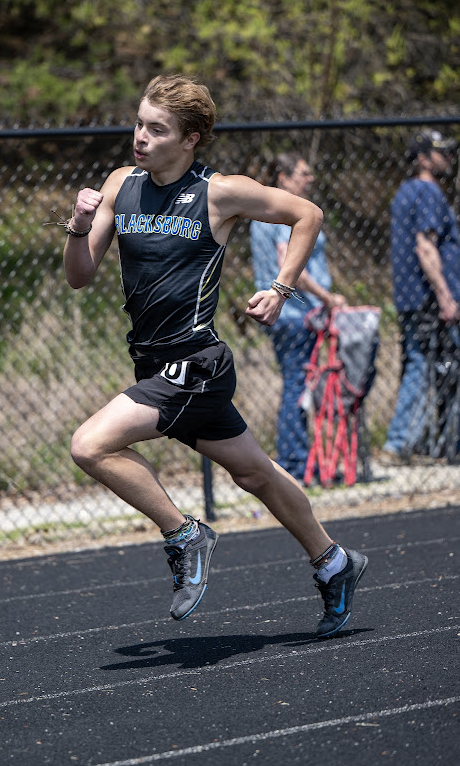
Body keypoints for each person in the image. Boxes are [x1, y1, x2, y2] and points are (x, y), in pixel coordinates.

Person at [60, 74, 367, 638]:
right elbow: (79, 277)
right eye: (139, 124)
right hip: (154, 364)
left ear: (192, 138)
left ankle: (184, 536)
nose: (140, 138)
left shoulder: (217, 192)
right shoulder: (119, 184)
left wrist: (280, 289)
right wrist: (78, 228)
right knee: (255, 474)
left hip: (197, 364)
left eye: (157, 130)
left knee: (90, 444)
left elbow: (309, 215)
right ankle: (334, 562)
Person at [250, 153, 346, 481]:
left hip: (291, 314)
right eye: (303, 174)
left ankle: (301, 458)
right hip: (293, 314)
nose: (310, 179)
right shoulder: (281, 212)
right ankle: (296, 461)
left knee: (298, 384)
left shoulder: (267, 210)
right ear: (283, 178)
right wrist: (327, 297)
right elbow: (289, 262)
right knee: (297, 386)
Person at [383, 129, 460, 461]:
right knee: (423, 363)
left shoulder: (405, 192)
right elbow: (425, 247)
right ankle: (400, 442)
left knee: (424, 363)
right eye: (441, 152)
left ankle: (417, 440)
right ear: (423, 159)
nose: (449, 158)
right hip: (429, 297)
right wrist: (445, 295)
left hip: (413, 296)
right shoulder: (428, 193)